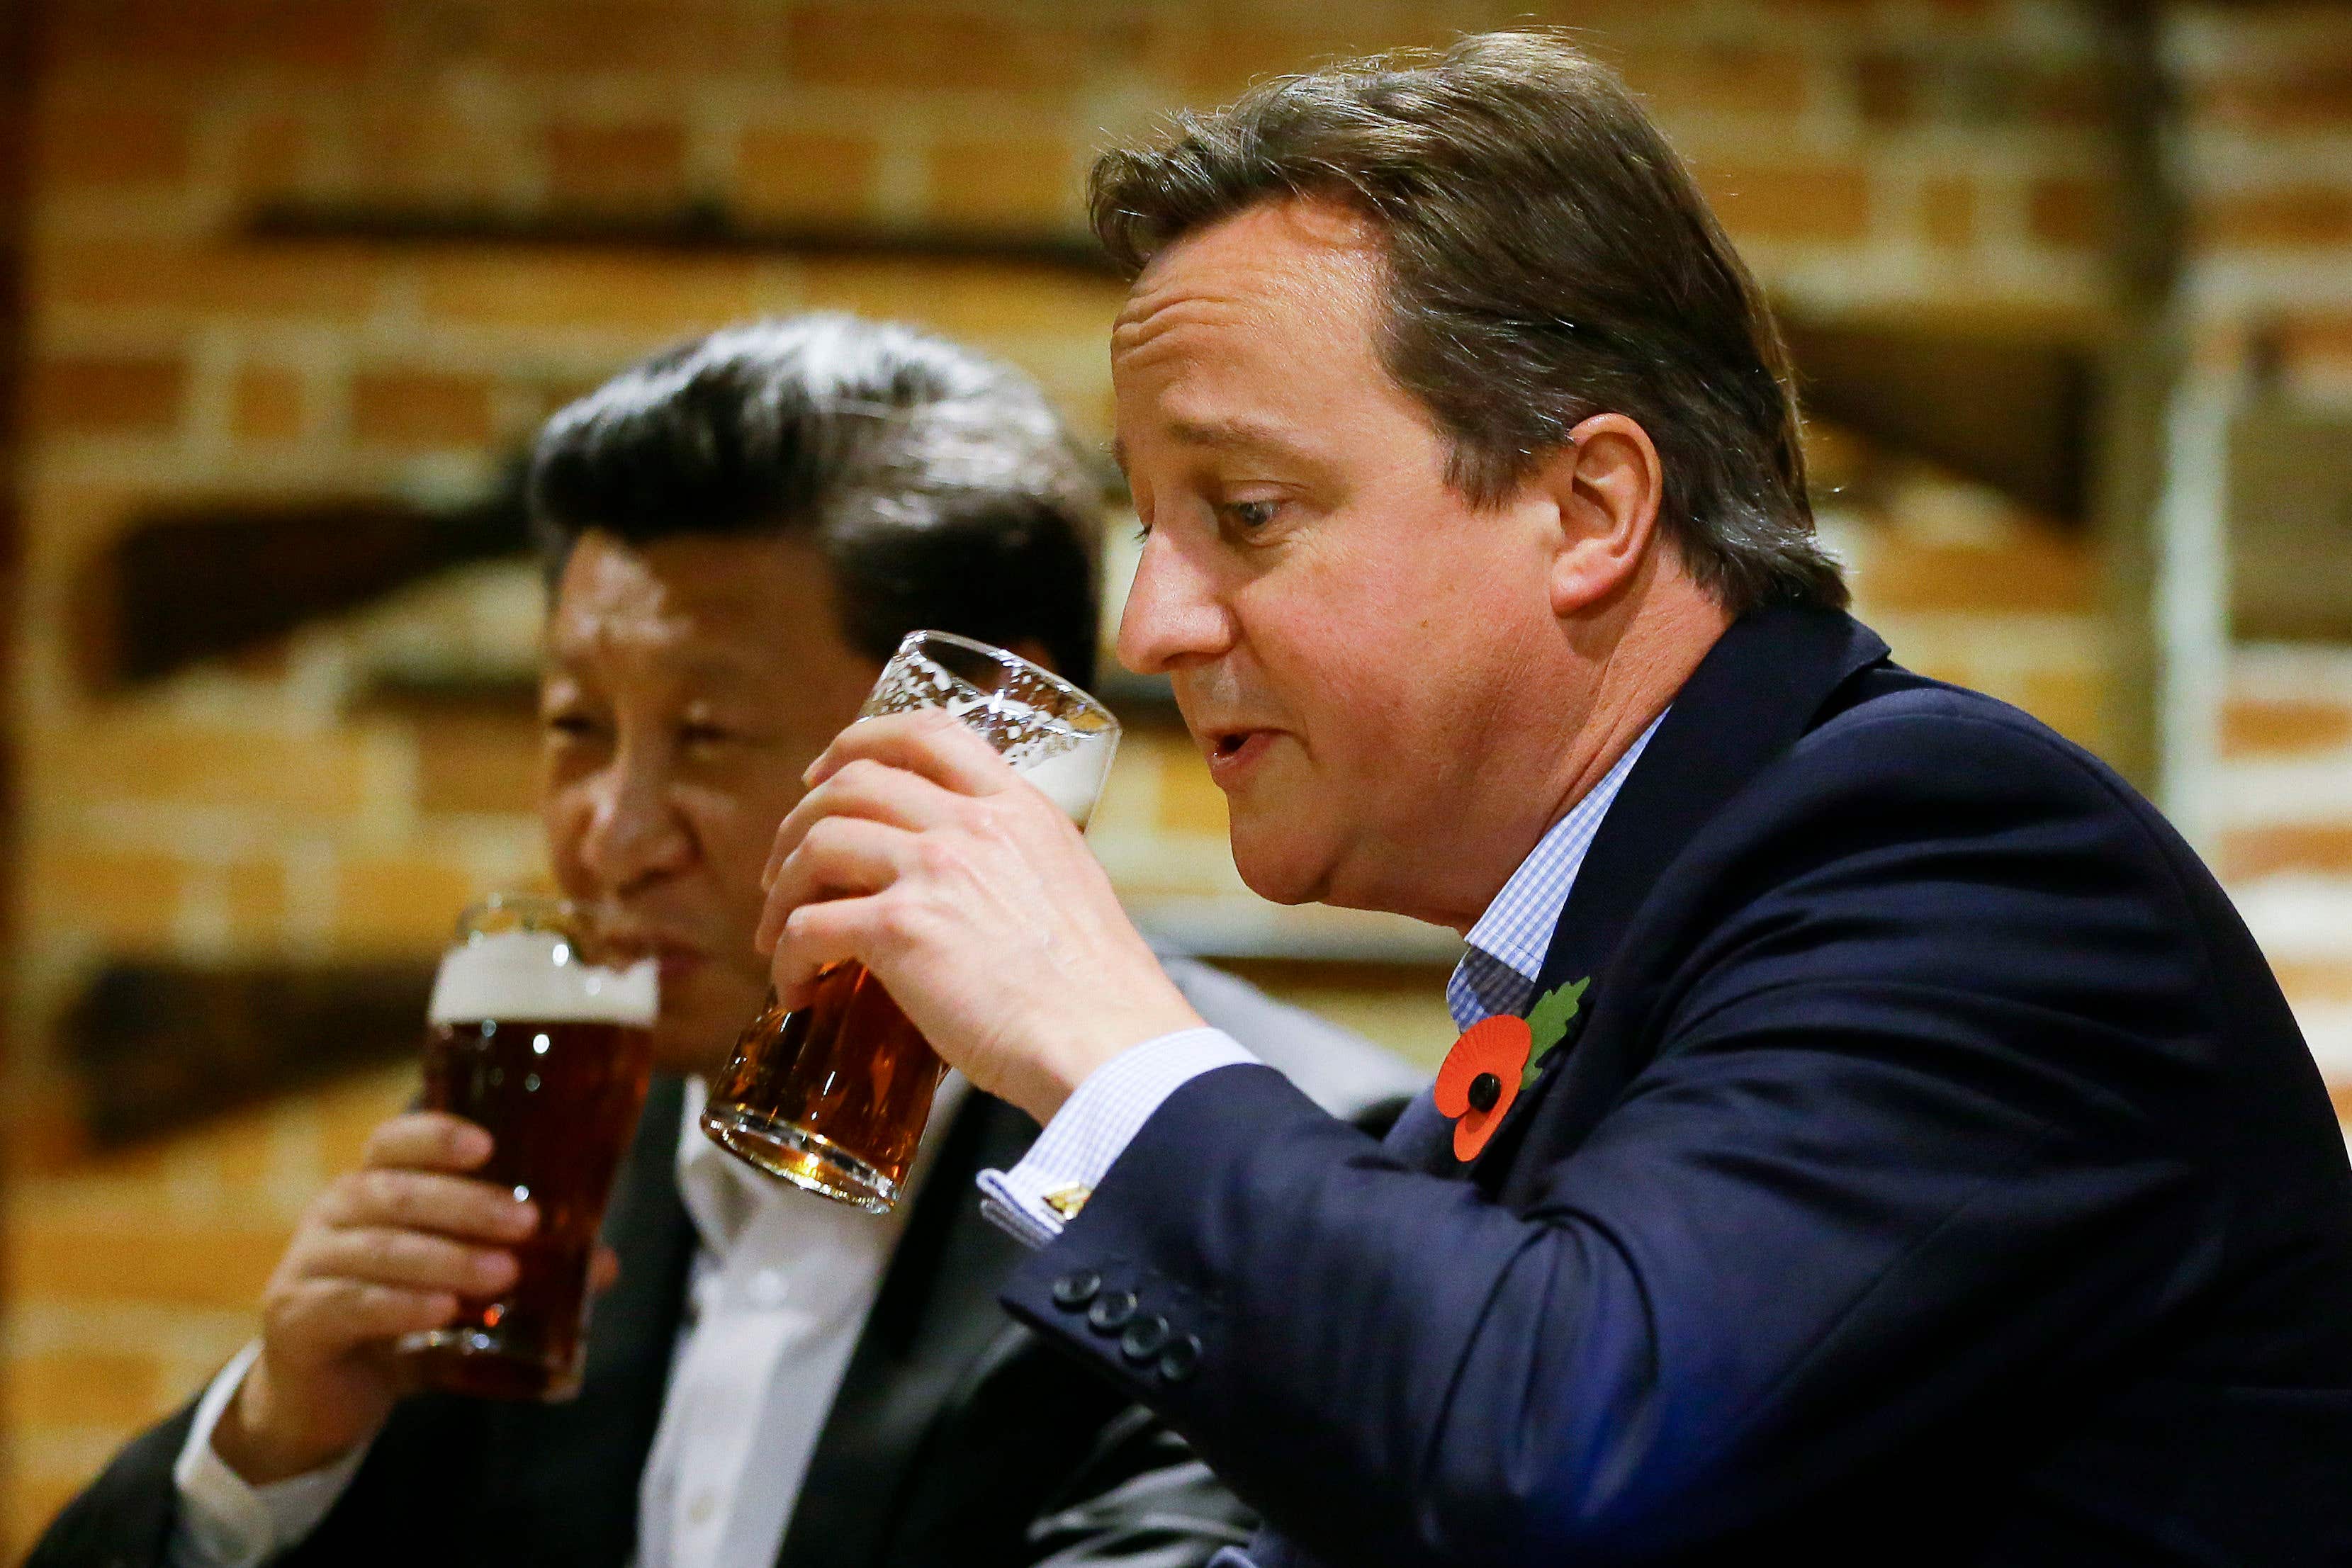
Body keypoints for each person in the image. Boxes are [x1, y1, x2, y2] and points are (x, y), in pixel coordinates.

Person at [748, 34, 2352, 1567]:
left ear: (1588, 508)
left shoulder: (1949, 856)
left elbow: (1553, 1456)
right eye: (1150, 522)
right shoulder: (1613, 942)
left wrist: (1095, 1031)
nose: (1150, 626)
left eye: (1243, 511)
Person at [32, 316, 1420, 1568]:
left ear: (982, 740)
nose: (611, 833)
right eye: (575, 726)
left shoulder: (1258, 1181)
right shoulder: (561, 1151)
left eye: (703, 735)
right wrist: (275, 1442)